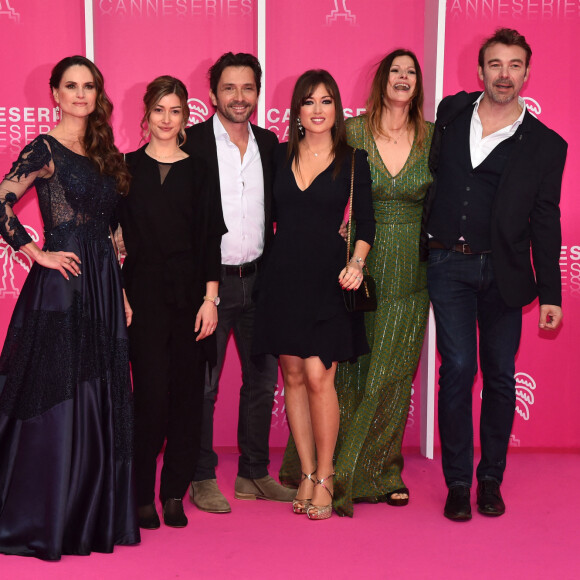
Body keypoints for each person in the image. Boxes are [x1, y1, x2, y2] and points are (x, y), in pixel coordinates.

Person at [423, 28, 567, 521]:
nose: (504, 75)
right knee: (459, 367)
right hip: (447, 262)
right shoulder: (451, 112)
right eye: (495, 64)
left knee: (501, 377)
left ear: (527, 72)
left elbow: (546, 220)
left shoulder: (548, 145)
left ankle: (491, 480)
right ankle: (458, 481)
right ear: (480, 70)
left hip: (506, 273)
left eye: (514, 65)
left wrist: (552, 293)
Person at [0, 55, 139, 560]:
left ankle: (89, 512)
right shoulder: (44, 148)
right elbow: (2, 198)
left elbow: (113, 230)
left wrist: (121, 290)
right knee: (57, 397)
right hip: (63, 284)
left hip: (103, 283)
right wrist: (34, 249)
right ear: (55, 94)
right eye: (71, 86)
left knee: (99, 396)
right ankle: (45, 514)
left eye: (89, 87)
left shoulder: (105, 152)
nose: (81, 94)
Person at [255, 69, 375, 520]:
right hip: (283, 277)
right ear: (298, 111)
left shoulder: (353, 159)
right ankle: (305, 471)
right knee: (293, 376)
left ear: (336, 109)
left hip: (329, 278)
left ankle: (326, 474)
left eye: (326, 101)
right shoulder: (279, 157)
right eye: (309, 101)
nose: (318, 109)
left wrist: (356, 264)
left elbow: (366, 221)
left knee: (321, 376)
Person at [182, 52, 295, 513]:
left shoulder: (271, 144)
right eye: (229, 88)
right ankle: (200, 474)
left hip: (261, 281)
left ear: (258, 93)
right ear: (212, 95)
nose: (239, 97)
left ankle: (253, 472)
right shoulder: (188, 143)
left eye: (248, 88)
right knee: (203, 387)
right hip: (210, 286)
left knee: (262, 383)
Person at [115, 76, 226, 529]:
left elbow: (210, 240)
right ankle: (142, 493)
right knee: (151, 398)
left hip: (189, 298)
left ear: (186, 117)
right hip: (141, 296)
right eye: (159, 110)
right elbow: (110, 238)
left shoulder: (200, 169)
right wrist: (120, 294)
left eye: (175, 110)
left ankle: (174, 493)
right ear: (147, 115)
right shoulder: (124, 168)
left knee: (187, 398)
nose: (166, 119)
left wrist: (211, 299)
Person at [330, 50, 434, 517]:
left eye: (411, 72)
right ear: (382, 80)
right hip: (359, 264)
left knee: (393, 375)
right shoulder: (352, 132)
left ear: (418, 84)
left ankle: (383, 471)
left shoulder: (433, 137)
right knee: (352, 369)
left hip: (412, 268)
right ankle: (335, 467)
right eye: (395, 70)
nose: (403, 78)